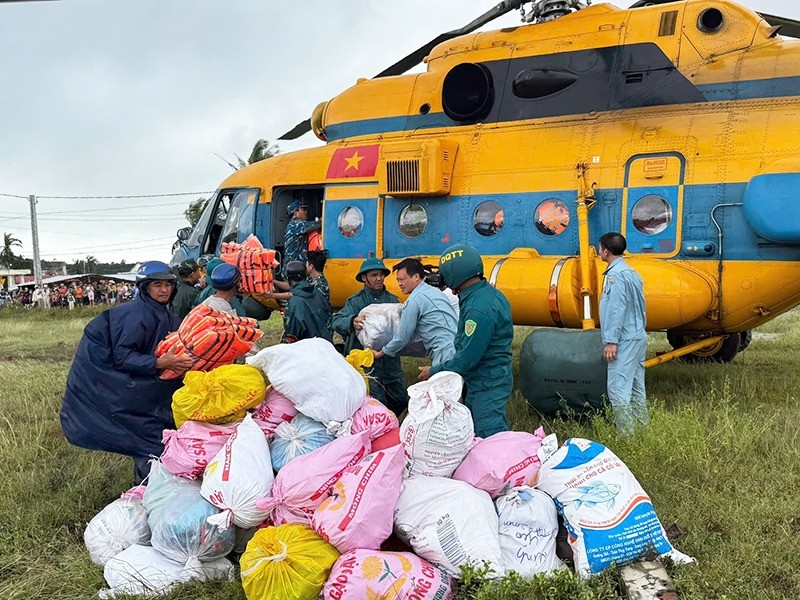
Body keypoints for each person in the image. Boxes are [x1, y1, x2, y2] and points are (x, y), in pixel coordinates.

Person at [60, 261, 193, 484]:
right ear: (144, 288)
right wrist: (160, 362)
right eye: (157, 285)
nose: (163, 290)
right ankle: (146, 489)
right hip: (129, 390)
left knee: (161, 435)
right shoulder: (136, 316)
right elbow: (123, 357)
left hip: (151, 388)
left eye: (168, 285)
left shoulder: (165, 313)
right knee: (149, 441)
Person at [418, 244, 514, 438]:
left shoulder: (478, 310)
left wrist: (434, 371)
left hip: (486, 380)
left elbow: (468, 357)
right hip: (487, 376)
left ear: (455, 273)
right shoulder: (484, 294)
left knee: (488, 434)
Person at [331, 257, 408, 415]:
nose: (379, 278)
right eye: (374, 275)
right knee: (375, 402)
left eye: (381, 274)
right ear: (364, 278)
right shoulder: (355, 301)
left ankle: (390, 421)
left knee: (401, 399)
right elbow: (337, 321)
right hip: (366, 363)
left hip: (389, 361)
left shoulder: (393, 301)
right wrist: (352, 321)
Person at [598, 232, 649, 437]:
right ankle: (643, 431)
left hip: (624, 339)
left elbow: (615, 309)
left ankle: (626, 436)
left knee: (618, 389)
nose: (599, 251)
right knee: (637, 387)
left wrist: (611, 341)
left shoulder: (615, 277)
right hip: (638, 336)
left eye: (600, 248)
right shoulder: (633, 273)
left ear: (606, 251)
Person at [372, 257, 457, 369]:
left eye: (402, 279)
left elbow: (402, 337)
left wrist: (381, 353)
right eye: (398, 280)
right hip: (459, 347)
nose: (400, 284)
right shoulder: (435, 292)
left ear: (416, 277)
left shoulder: (415, 300)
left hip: (445, 354)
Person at [281, 260, 332, 343]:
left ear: (289, 278)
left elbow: (292, 335)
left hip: (307, 349)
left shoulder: (295, 303)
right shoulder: (317, 293)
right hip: (325, 345)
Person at [283, 200, 321, 275]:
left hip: (297, 267)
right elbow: (318, 225)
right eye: (303, 210)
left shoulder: (296, 224)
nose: (306, 212)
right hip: (293, 269)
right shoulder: (295, 225)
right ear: (295, 213)